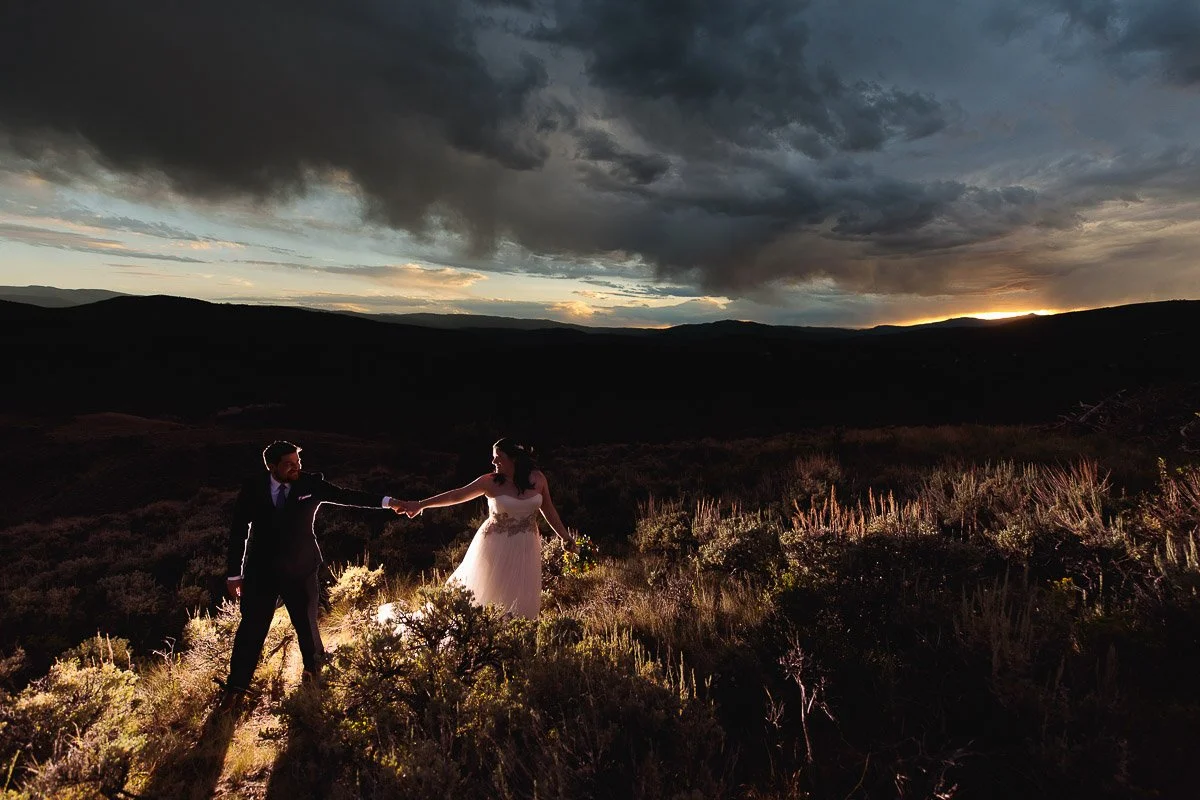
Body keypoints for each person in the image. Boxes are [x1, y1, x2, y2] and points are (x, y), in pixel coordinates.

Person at [221, 440, 411, 708]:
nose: (295, 468)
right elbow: (238, 531)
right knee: (251, 629)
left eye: (297, 462)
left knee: (307, 627)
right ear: (272, 466)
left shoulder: (310, 484)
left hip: (301, 570)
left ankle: (314, 673)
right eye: (288, 464)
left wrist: (389, 502)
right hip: (261, 572)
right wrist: (233, 574)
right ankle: (236, 687)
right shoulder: (253, 488)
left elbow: (348, 496)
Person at [389, 437, 576, 621]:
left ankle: (516, 638)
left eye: (498, 456)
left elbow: (549, 510)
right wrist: (421, 504)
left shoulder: (538, 479)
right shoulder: (490, 481)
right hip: (495, 546)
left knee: (520, 593)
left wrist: (565, 536)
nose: (493, 461)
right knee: (491, 593)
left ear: (514, 458)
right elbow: (456, 496)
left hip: (526, 546)